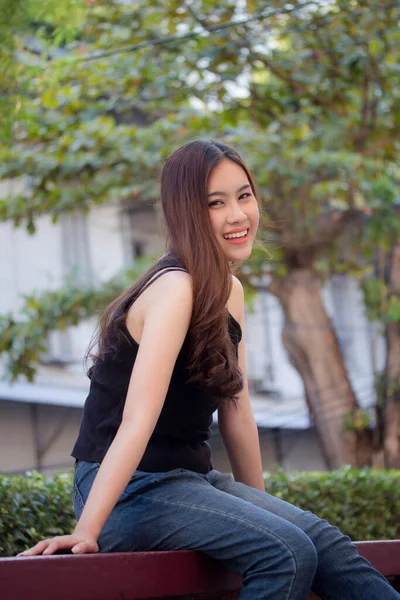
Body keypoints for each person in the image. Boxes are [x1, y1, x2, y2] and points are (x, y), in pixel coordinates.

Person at [18, 140, 399, 600]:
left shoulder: (229, 291)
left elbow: (237, 412)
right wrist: (88, 529)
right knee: (287, 552)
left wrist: (265, 509)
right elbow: (137, 420)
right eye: (215, 203)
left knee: (327, 545)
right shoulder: (175, 287)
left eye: (244, 195)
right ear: (186, 214)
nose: (238, 215)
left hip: (189, 481)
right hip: (129, 491)